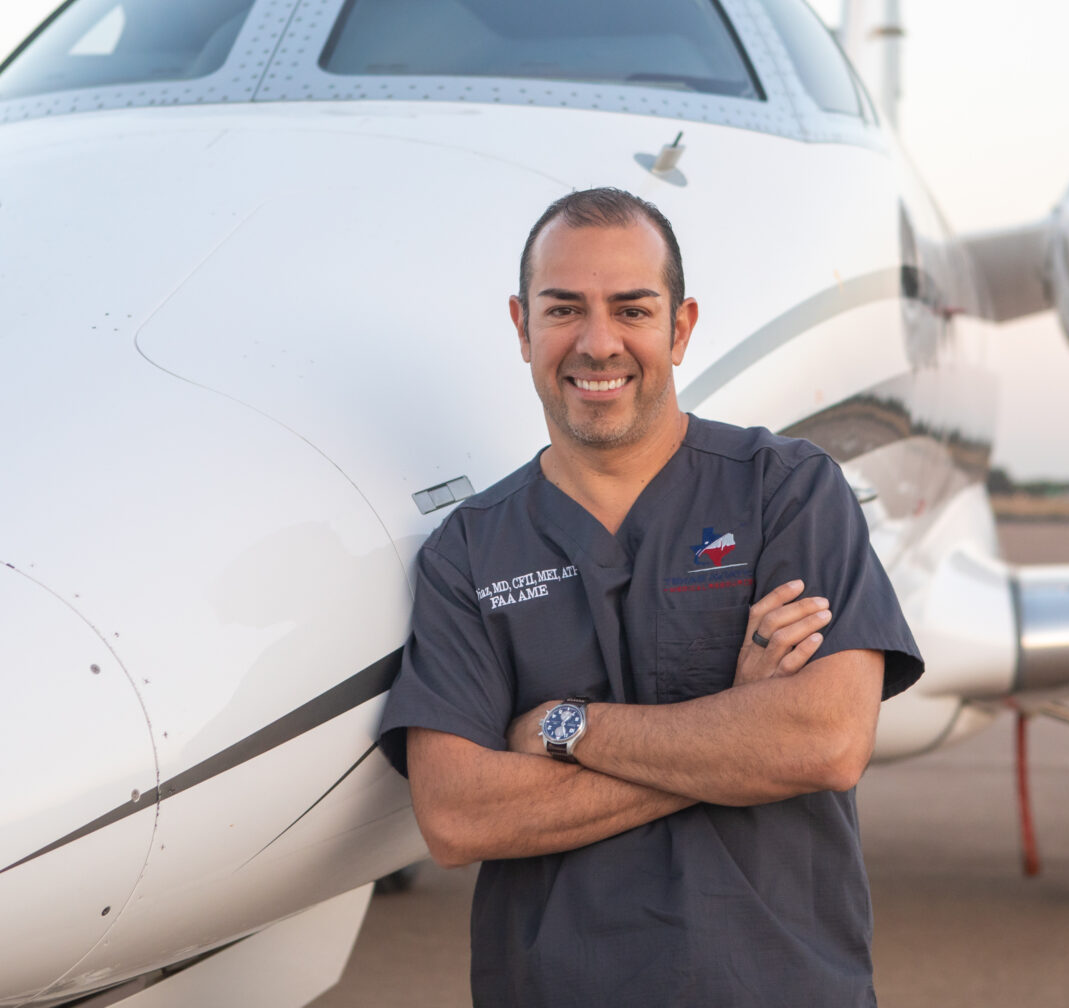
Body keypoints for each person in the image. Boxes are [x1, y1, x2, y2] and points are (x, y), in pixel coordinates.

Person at [376, 187, 923, 1007]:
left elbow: (827, 741)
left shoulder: (787, 492)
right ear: (523, 328)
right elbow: (457, 818)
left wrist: (566, 728)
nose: (598, 344)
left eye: (632, 309)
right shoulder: (472, 549)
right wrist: (737, 733)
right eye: (565, 310)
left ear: (681, 326)